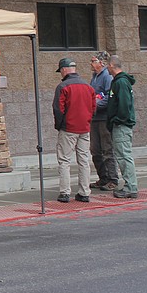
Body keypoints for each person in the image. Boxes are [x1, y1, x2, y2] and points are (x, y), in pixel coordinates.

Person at [51, 57, 96, 204]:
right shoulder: (88, 87)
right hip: (84, 128)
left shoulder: (63, 87)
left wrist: (60, 125)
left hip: (68, 128)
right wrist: (88, 121)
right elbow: (93, 107)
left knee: (64, 160)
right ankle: (84, 192)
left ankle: (65, 192)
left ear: (64, 70)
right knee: (83, 160)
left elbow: (58, 109)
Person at [107, 55, 139, 199]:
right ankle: (129, 185)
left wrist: (118, 120)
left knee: (124, 156)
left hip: (122, 125)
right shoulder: (120, 82)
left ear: (112, 66)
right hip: (121, 124)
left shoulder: (120, 83)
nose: (106, 68)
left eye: (107, 65)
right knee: (123, 155)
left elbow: (124, 105)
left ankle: (130, 186)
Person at [88, 51, 118, 191]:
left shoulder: (107, 77)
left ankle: (112, 179)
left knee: (107, 149)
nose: (91, 64)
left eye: (94, 61)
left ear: (102, 63)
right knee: (95, 150)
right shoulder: (94, 77)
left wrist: (95, 104)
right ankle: (103, 177)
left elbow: (108, 96)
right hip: (94, 118)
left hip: (103, 117)